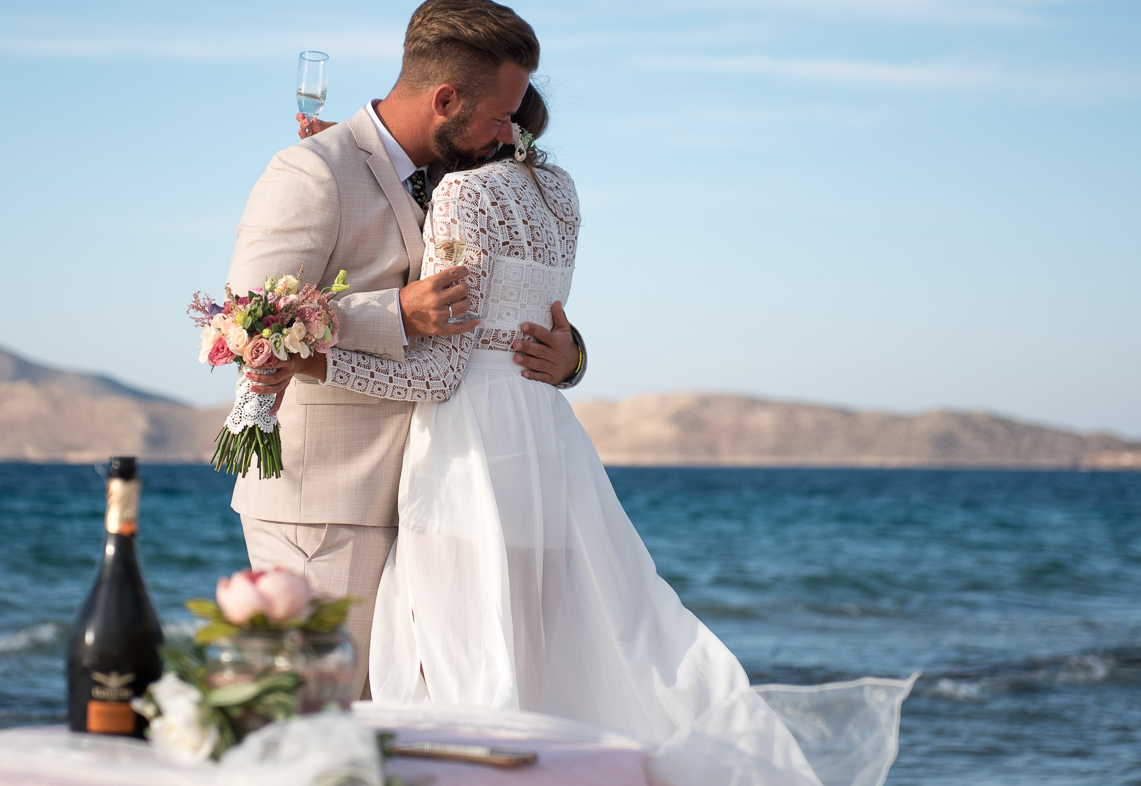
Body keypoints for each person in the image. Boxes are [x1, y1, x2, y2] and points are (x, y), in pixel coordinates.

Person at [281, 85, 911, 785]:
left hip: (468, 445)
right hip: (544, 438)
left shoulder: (462, 194)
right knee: (555, 639)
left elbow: (438, 374)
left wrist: (311, 358)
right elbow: (539, 314)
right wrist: (573, 357)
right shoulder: (560, 191)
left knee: (462, 647)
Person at [224, 0, 588, 699]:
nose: (511, 132)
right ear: (446, 98)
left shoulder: (463, 182)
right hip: (326, 505)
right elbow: (248, 324)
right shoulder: (312, 171)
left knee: (382, 730)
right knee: (311, 719)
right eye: (501, 115)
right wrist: (392, 310)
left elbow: (486, 316)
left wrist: (569, 355)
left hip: (427, 494)